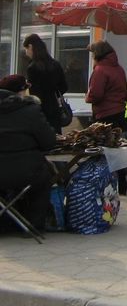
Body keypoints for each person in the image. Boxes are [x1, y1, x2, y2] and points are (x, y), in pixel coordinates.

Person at [0, 74, 56, 234]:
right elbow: (49, 142)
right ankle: (34, 224)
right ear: (21, 91)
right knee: (46, 178)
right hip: (27, 173)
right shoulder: (31, 111)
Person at [84, 40, 127, 195]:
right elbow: (124, 90)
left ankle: (104, 183)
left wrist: (88, 97)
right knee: (116, 150)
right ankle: (122, 183)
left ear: (97, 54)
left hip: (104, 115)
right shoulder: (119, 69)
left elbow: (96, 94)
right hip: (119, 113)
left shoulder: (100, 70)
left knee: (103, 152)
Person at [23, 34, 68, 135]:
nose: (26, 53)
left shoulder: (32, 68)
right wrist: (53, 95)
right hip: (54, 108)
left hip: (40, 111)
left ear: (30, 46)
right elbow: (64, 87)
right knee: (56, 138)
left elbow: (34, 94)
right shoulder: (55, 64)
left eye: (26, 49)